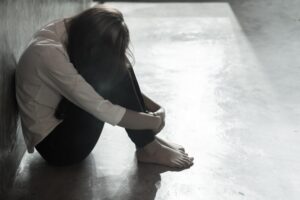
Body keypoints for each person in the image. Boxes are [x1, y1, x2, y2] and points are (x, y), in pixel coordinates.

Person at [15, 4, 194, 169]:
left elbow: (115, 74)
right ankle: (148, 147)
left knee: (115, 63)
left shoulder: (74, 29)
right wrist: (153, 120)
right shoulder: (49, 54)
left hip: (65, 116)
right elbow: (103, 109)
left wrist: (157, 110)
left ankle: (148, 143)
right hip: (59, 148)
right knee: (111, 66)